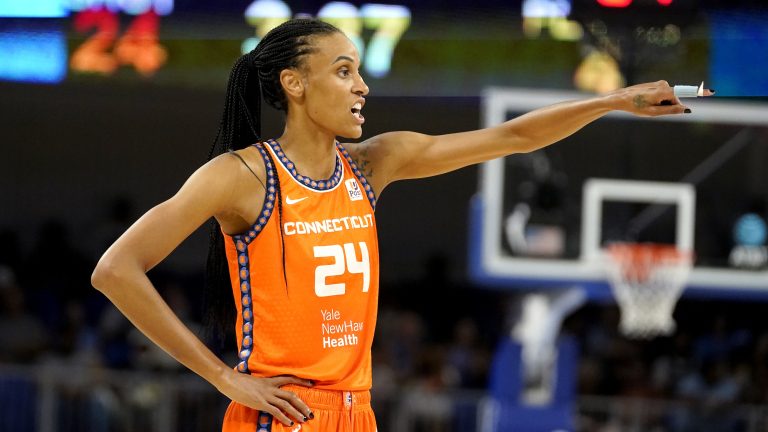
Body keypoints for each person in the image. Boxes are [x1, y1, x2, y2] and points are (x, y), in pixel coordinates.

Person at [90, 18, 712, 432]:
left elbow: (514, 136)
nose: (362, 85)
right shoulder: (239, 176)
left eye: (359, 70)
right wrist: (226, 379)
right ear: (294, 83)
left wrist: (611, 101)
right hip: (278, 415)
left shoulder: (373, 163)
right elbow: (116, 270)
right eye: (343, 71)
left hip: (358, 413)